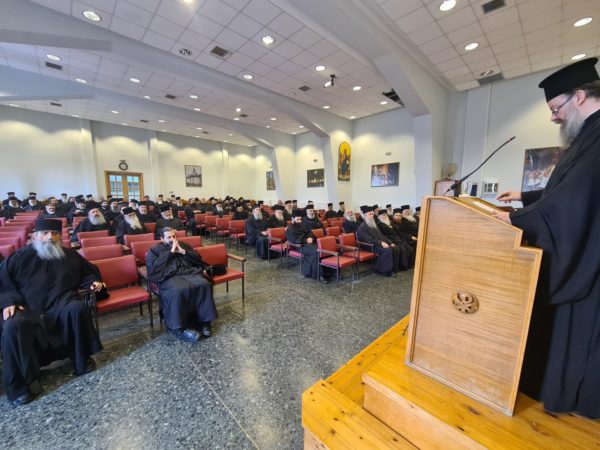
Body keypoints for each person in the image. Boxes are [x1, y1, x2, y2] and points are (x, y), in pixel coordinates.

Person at [491, 58, 600, 418]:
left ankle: (568, 394)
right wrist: (524, 198)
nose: (554, 118)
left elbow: (574, 202)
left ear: (579, 96)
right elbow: (566, 192)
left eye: (555, 108)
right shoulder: (589, 137)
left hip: (588, 259)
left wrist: (515, 219)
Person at [0, 219, 104, 406]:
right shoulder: (19, 257)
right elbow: (3, 283)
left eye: (54, 233)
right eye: (45, 233)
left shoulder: (69, 255)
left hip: (60, 301)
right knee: (13, 324)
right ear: (35, 236)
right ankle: (21, 385)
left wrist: (93, 281)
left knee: (77, 309)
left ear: (59, 237)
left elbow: (88, 272)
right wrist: (9, 301)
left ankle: (81, 360)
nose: (50, 237)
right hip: (26, 306)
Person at [146, 227, 217, 342]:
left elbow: (198, 259)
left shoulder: (183, 245)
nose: (172, 239)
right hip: (169, 276)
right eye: (169, 237)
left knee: (204, 285)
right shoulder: (154, 250)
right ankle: (179, 327)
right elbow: (154, 269)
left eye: (174, 236)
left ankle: (205, 321)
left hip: (188, 272)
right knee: (178, 290)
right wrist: (171, 252)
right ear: (162, 238)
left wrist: (183, 251)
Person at [285, 209, 330, 283]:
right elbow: (294, 240)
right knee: (316, 252)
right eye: (297, 219)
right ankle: (318, 275)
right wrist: (306, 240)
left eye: (300, 219)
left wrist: (311, 238)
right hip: (300, 246)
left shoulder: (303, 225)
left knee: (323, 248)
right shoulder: (289, 229)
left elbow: (310, 233)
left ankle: (328, 271)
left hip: (309, 243)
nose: (299, 221)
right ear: (292, 219)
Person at [356, 206, 399, 276]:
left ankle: (393, 269)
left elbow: (381, 235)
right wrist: (381, 243)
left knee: (394, 247)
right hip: (368, 246)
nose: (372, 216)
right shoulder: (362, 227)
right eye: (370, 214)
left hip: (376, 243)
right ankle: (385, 271)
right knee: (387, 250)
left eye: (372, 214)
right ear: (365, 216)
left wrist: (390, 242)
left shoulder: (373, 224)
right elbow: (368, 239)